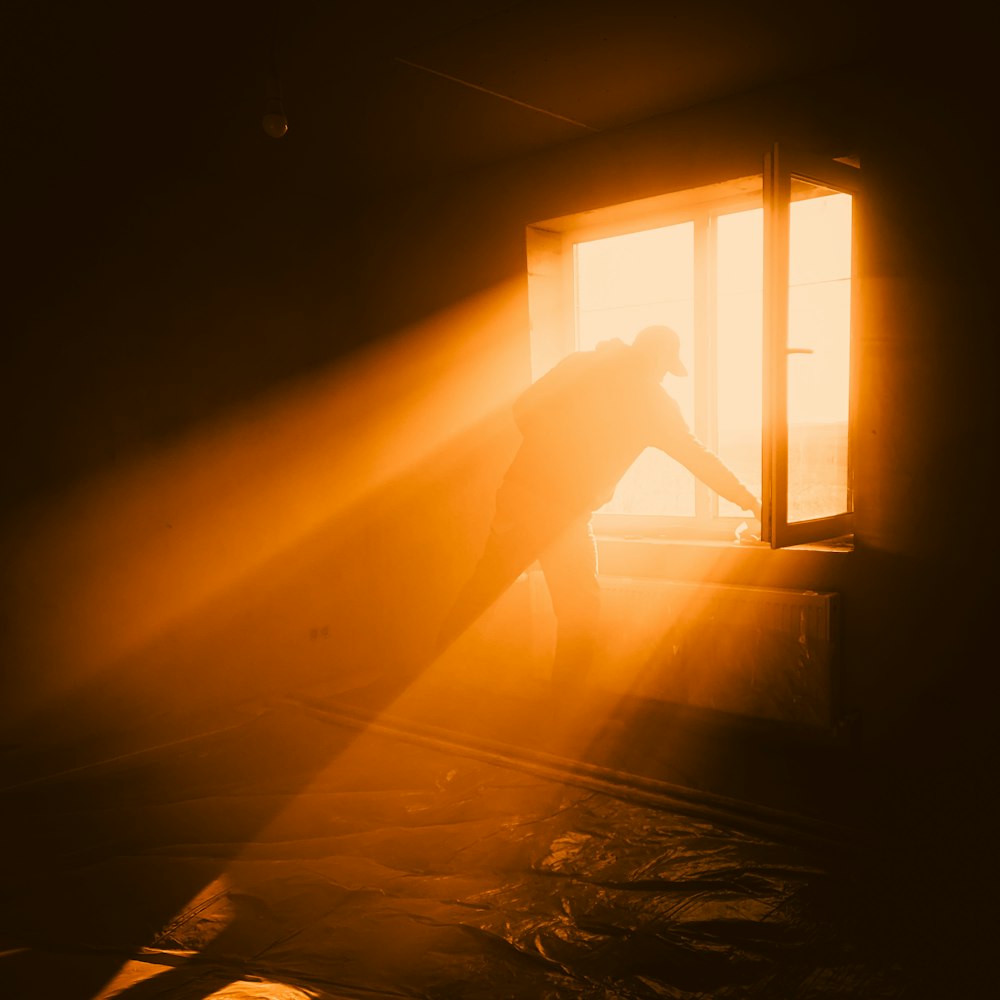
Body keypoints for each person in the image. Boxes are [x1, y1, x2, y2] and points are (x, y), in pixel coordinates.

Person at [438, 325, 761, 685]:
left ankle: (427, 676)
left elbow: (522, 407)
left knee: (486, 584)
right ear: (658, 359)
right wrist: (748, 501)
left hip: (519, 493)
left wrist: (552, 443)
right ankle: (563, 713)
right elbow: (696, 457)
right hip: (562, 511)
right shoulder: (651, 401)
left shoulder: (580, 365)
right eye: (666, 369)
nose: (664, 377)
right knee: (580, 612)